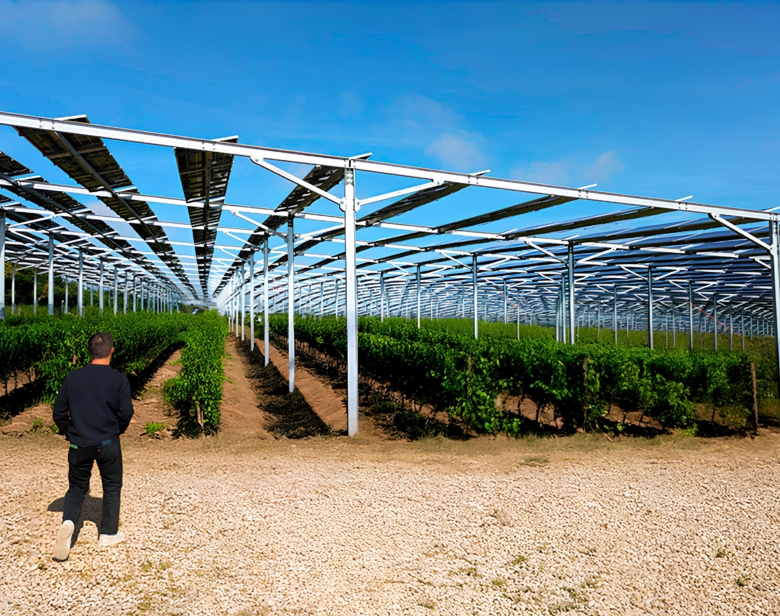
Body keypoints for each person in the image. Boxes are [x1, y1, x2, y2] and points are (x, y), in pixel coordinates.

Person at [51, 332, 134, 562]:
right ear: (112, 351)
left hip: (80, 443)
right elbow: (127, 412)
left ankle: (68, 522)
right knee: (112, 485)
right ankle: (107, 533)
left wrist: (70, 432)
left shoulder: (73, 378)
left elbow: (58, 413)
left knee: (77, 488)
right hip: (108, 442)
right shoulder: (118, 379)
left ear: (90, 352)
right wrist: (119, 428)